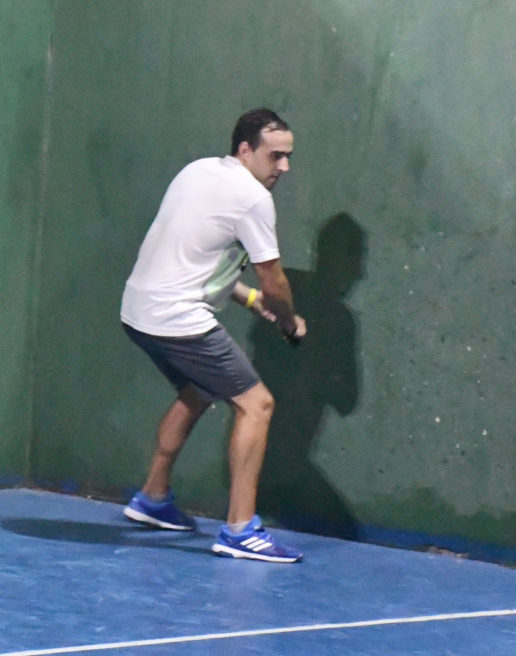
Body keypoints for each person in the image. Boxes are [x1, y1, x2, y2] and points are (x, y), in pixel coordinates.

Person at [119, 108, 307, 563]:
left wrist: (249, 301)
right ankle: (240, 530)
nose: (284, 167)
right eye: (275, 156)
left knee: (198, 389)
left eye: (288, 157)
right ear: (245, 150)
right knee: (257, 404)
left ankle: (153, 498)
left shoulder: (198, 171)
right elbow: (274, 281)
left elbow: (191, 262)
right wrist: (287, 320)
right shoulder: (253, 198)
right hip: (177, 318)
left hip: (137, 311)